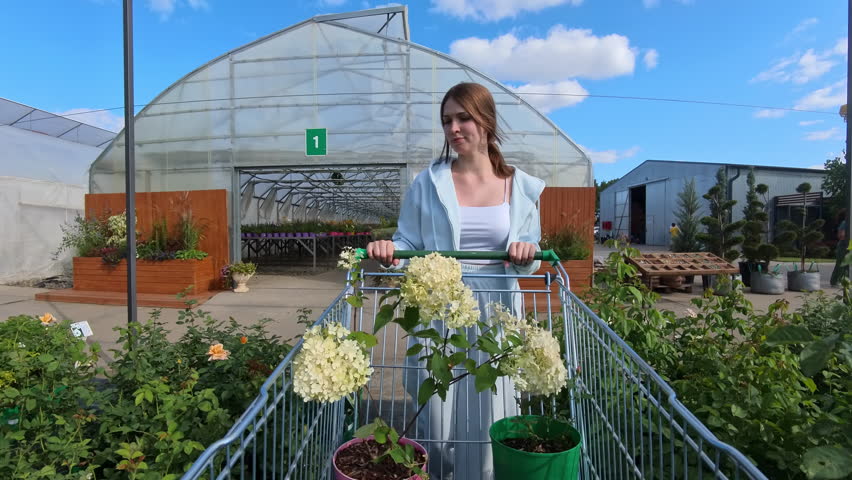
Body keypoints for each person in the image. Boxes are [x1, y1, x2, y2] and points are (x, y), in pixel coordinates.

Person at [366, 82, 545, 479]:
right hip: (440, 307)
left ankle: (485, 474)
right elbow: (408, 240)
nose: (454, 128)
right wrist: (389, 250)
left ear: (487, 120)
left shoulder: (521, 188)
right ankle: (439, 472)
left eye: (464, 117)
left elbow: (529, 254)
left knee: (492, 401)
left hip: (496, 312)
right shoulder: (428, 184)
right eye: (447, 120)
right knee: (439, 406)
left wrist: (524, 253)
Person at [830, 209, 848, 286]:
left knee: (847, 265)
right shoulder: (845, 223)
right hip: (843, 247)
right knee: (841, 264)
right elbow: (840, 236)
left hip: (849, 246)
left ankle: (845, 281)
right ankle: (835, 281)